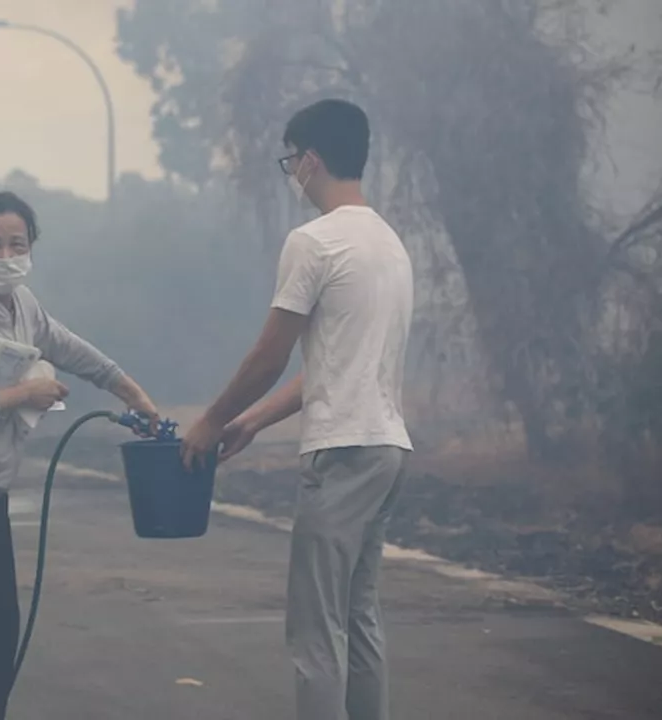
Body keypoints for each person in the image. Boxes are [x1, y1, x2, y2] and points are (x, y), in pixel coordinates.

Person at [180, 99, 414, 720]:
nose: (292, 175)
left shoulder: (314, 242)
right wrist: (252, 421)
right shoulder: (390, 245)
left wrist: (209, 419)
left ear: (311, 159)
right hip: (388, 446)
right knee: (358, 616)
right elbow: (331, 369)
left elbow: (269, 357)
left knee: (315, 631)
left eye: (291, 161)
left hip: (341, 451)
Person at [0, 191, 160, 720]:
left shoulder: (23, 307)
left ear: (31, 247)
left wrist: (133, 394)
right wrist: (24, 396)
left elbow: (75, 351)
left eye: (16, 243)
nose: (6, 254)